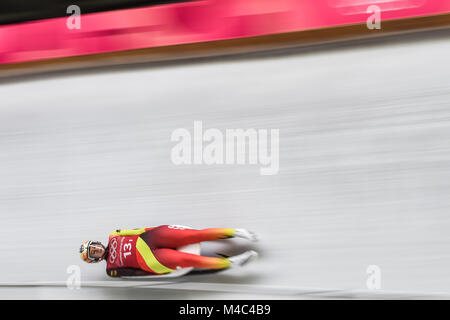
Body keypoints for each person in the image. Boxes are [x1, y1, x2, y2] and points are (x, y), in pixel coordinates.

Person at [79, 225, 258, 277]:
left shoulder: (113, 235)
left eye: (94, 246)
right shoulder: (111, 269)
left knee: (194, 235)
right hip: (151, 261)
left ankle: (237, 233)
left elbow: (139, 230)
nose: (97, 249)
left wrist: (158, 229)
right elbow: (135, 274)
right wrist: (161, 273)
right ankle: (232, 262)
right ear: (95, 259)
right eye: (94, 253)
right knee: (189, 259)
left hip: (152, 237)